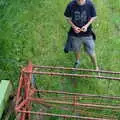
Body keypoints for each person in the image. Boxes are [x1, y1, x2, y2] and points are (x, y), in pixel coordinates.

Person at [64, 0, 98, 70]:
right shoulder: (71, 5)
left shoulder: (90, 4)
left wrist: (86, 26)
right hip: (75, 34)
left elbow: (94, 16)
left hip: (87, 34)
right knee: (76, 50)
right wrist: (74, 27)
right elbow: (67, 17)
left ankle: (96, 66)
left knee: (91, 52)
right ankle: (77, 61)